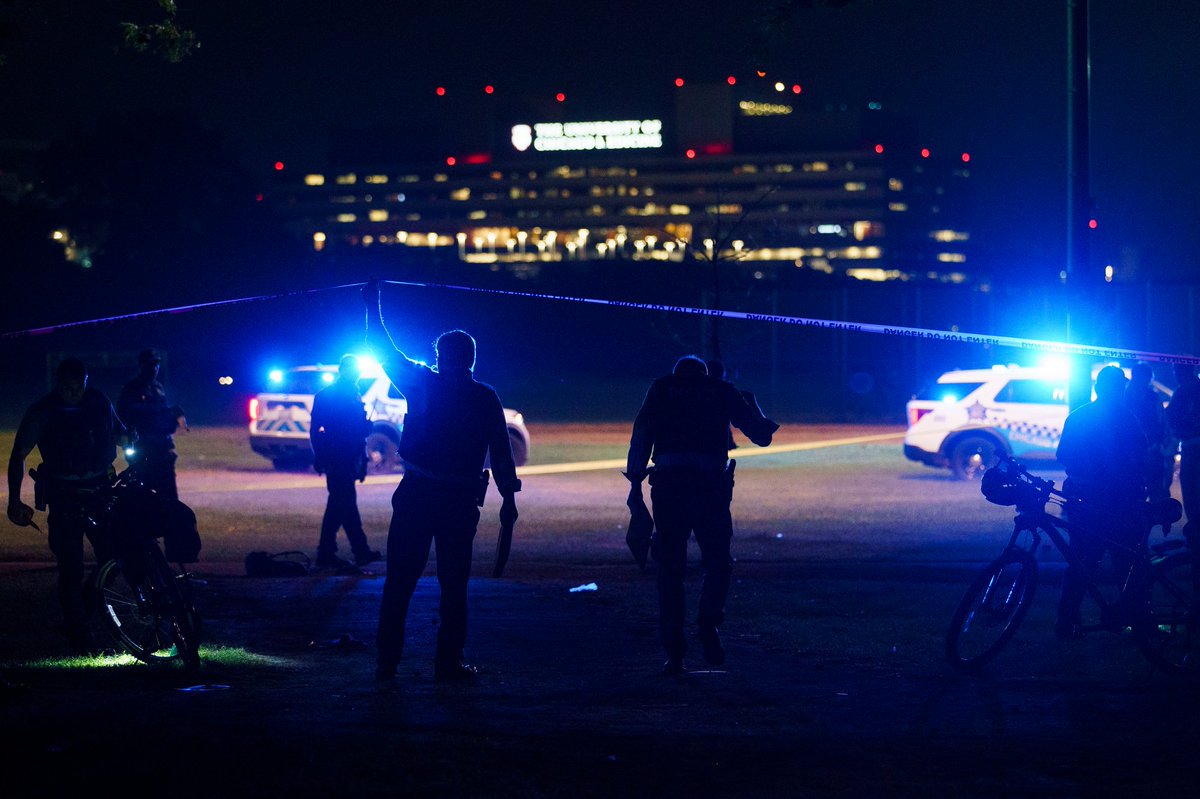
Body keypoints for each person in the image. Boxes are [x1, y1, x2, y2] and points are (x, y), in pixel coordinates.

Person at [364, 282, 520, 682]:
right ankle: (447, 664)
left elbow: (383, 348)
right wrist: (508, 497)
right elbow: (502, 453)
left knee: (401, 580)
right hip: (458, 500)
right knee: (454, 584)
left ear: (439, 357)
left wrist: (373, 303)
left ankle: (387, 662)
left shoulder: (422, 383)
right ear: (470, 359)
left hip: (418, 495)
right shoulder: (485, 396)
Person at [626, 355, 779, 674]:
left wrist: (635, 485)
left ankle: (675, 652)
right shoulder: (723, 391)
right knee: (718, 562)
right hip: (710, 488)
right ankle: (709, 625)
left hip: (669, 488)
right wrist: (752, 403)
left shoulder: (662, 389)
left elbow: (641, 434)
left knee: (670, 570)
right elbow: (762, 435)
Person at [7, 358, 128, 654]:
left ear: (86, 382)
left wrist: (133, 439)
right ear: (57, 383)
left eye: (78, 387)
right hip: (64, 497)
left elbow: (120, 432)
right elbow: (18, 454)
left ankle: (81, 614)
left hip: (100, 492)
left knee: (114, 559)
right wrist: (14, 500)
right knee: (70, 567)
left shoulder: (99, 401)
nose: (73, 393)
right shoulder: (43, 411)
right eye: (67, 387)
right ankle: (79, 634)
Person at [1054, 365, 1149, 639]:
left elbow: (1063, 455)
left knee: (1082, 560)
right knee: (1128, 561)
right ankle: (1140, 620)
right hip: (1120, 501)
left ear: (1097, 388)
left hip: (1084, 498)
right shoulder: (1128, 418)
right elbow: (1141, 457)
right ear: (1121, 390)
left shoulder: (1079, 416)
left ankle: (1067, 621)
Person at [310, 354, 381, 570]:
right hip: (341, 456)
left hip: (341, 456)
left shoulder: (332, 394)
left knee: (345, 503)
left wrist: (320, 456)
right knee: (340, 503)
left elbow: (316, 429)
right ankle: (327, 552)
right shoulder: (346, 395)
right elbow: (347, 429)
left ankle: (360, 551)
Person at [116, 348, 187, 501]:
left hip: (162, 452)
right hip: (143, 452)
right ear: (141, 365)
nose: (154, 368)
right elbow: (123, 417)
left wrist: (175, 416)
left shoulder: (158, 388)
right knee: (144, 501)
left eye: (156, 365)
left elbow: (164, 415)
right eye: (150, 365)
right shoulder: (131, 389)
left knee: (169, 502)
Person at [1125, 362, 1175, 501]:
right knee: (1137, 492)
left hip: (1150, 450)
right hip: (1133, 452)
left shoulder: (1151, 397)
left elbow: (1163, 423)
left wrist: (1164, 447)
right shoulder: (1127, 397)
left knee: (1157, 491)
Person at [1167, 362, 1200, 548]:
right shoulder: (1185, 390)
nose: (1175, 374)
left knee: (1193, 494)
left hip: (1193, 447)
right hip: (1189, 446)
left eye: (1177, 370)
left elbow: (1174, 416)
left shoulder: (1187, 391)